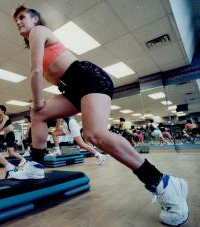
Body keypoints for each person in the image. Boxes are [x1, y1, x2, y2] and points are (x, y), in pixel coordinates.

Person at [10, 6, 188, 226]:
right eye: (15, 20)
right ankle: (35, 167)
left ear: (35, 19)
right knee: (37, 115)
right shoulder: (34, 42)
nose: (18, 22)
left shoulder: (38, 31)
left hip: (88, 78)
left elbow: (35, 71)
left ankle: (164, 183)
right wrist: (39, 107)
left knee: (94, 135)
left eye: (21, 17)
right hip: (72, 90)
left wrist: (37, 101)